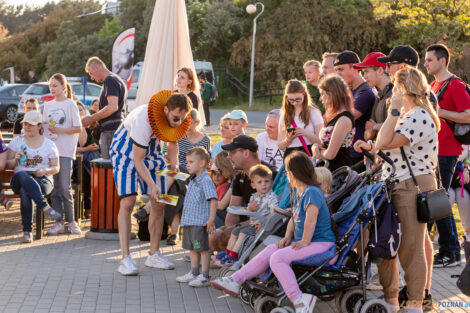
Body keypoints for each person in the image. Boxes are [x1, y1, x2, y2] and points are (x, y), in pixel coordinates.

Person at [355, 67, 440, 313]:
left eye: (396, 88)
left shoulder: (418, 116)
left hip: (411, 186)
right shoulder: (406, 116)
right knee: (385, 244)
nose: (392, 93)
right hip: (394, 184)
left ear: (405, 89)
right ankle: (391, 301)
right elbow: (381, 145)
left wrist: (393, 109)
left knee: (410, 249)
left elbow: (384, 142)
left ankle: (414, 304)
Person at [211, 151, 337, 313]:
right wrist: (287, 237)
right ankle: (236, 280)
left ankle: (299, 298)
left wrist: (304, 241)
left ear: (293, 173)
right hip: (308, 243)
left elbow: (310, 220)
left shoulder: (312, 192)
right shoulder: (299, 191)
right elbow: (294, 217)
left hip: (321, 245)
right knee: (271, 249)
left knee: (278, 258)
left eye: (287, 173)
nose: (286, 176)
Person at [110, 92, 192, 275]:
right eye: (175, 118)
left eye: (182, 119)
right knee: (128, 202)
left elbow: (172, 143)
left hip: (152, 153)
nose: (178, 123)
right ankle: (125, 259)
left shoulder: (176, 119)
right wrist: (152, 186)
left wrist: (174, 165)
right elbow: (138, 160)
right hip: (126, 152)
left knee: (160, 202)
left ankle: (153, 254)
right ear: (165, 110)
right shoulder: (143, 121)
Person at [425, 43, 470, 267]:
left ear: (442, 61)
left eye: (429, 60)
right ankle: (446, 249)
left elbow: (468, 115)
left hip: (448, 151)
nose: (425, 64)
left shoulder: (455, 85)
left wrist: (440, 112)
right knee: (436, 199)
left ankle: (450, 252)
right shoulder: (434, 84)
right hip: (433, 150)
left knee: (439, 200)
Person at [5, 111, 61, 243]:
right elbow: (8, 164)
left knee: (26, 191)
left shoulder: (49, 144)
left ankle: (27, 232)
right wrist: (15, 160)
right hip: (19, 178)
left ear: (40, 126)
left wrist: (44, 170)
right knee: (22, 174)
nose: (27, 127)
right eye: (25, 124)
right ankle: (44, 206)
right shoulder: (16, 141)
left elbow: (56, 167)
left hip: (42, 179)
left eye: (31, 124)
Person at [215, 164, 278, 266]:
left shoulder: (271, 198)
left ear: (271, 183)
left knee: (243, 232)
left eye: (266, 181)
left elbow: (273, 213)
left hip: (262, 227)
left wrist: (263, 224)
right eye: (260, 182)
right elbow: (248, 212)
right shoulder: (254, 197)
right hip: (252, 223)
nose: (264, 185)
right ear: (253, 185)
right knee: (235, 231)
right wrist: (250, 209)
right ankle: (228, 251)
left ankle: (233, 256)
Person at [42, 73, 82, 235]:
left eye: (55, 85)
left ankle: (72, 221)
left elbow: (78, 128)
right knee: (55, 189)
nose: (52, 88)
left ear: (63, 87)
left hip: (65, 151)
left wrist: (60, 130)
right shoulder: (47, 105)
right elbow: (45, 128)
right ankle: (58, 222)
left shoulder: (70, 104)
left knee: (65, 187)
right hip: (51, 152)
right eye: (50, 86)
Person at [166, 109, 211, 245]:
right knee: (176, 193)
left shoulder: (205, 139)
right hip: (178, 175)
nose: (185, 124)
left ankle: (157, 198)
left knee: (179, 173)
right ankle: (175, 233)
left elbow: (205, 162)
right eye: (183, 121)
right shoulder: (179, 137)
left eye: (188, 122)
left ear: (196, 123)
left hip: (194, 175)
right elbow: (173, 158)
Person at [176, 147, 217, 287]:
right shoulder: (193, 179)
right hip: (190, 222)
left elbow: (213, 199)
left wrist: (211, 219)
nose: (187, 164)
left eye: (191, 162)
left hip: (200, 223)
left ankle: (204, 275)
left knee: (203, 250)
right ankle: (194, 272)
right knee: (192, 249)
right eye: (187, 161)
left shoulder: (205, 180)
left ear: (202, 163)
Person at [334, 51, 376, 164]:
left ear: (354, 68)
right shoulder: (351, 91)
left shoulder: (366, 93)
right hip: (349, 152)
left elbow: (344, 119)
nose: (338, 74)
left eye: (341, 69)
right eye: (336, 70)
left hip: (358, 154)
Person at [82, 56, 127, 159]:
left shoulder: (109, 80)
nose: (92, 78)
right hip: (116, 128)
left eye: (91, 73)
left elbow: (112, 107)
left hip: (110, 131)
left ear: (97, 67)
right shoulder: (116, 79)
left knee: (108, 167)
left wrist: (91, 119)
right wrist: (97, 122)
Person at [312, 75, 356, 171]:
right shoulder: (334, 117)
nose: (320, 98)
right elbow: (324, 145)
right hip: (328, 170)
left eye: (322, 94)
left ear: (332, 94)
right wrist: (315, 146)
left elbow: (330, 154)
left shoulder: (344, 119)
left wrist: (319, 151)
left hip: (339, 173)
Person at [277, 80, 323, 158]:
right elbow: (280, 146)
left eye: (298, 99)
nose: (295, 103)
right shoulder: (284, 114)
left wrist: (305, 133)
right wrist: (288, 140)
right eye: (291, 100)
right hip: (290, 155)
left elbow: (321, 142)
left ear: (304, 95)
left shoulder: (313, 112)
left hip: (308, 153)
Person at [353, 52, 393, 141]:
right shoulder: (378, 97)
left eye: (367, 71)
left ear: (380, 70)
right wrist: (377, 128)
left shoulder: (395, 94)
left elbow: (398, 127)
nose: (364, 76)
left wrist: (375, 126)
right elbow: (367, 136)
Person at [75, 102, 100, 219]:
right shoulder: (74, 130)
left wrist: (94, 147)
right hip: (76, 163)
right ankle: (87, 208)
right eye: (77, 110)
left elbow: (94, 144)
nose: (79, 112)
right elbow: (73, 149)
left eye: (81, 110)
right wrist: (88, 149)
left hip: (87, 162)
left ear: (85, 112)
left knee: (89, 171)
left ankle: (89, 207)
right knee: (85, 172)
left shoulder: (89, 130)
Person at [213, 151, 236, 228]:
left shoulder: (236, 178)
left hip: (229, 218)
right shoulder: (232, 178)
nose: (219, 173)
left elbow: (222, 205)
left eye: (220, 170)